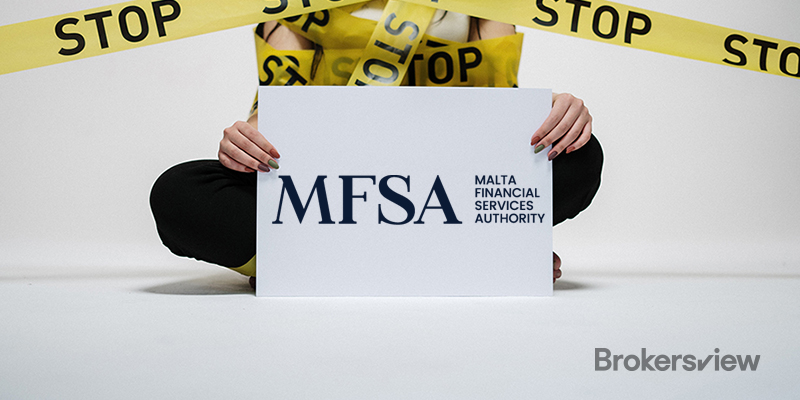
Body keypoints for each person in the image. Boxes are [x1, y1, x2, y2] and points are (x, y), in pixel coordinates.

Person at [150, 1, 603, 288]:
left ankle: (312, 264)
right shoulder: (295, 6)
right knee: (179, 195)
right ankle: (464, 258)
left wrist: (555, 114)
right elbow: (277, 107)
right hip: (330, 195)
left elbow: (500, 109)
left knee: (580, 156)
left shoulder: (482, 4)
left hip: (443, 189)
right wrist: (245, 139)